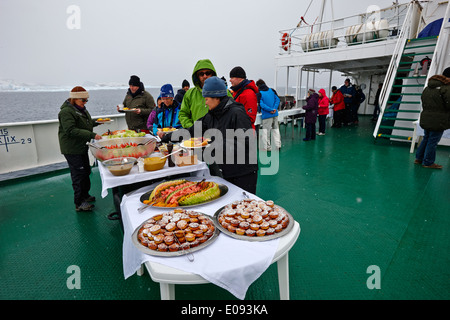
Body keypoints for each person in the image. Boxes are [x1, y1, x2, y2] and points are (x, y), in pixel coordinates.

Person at [159, 76, 258, 194]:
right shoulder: (211, 115)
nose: (205, 103)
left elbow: (244, 145)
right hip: (225, 171)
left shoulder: (237, 113)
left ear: (216, 97)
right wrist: (166, 137)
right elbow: (191, 131)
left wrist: (211, 141)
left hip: (243, 174)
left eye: (206, 99)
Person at [58, 86, 102, 212]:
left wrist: (97, 122)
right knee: (78, 175)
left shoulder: (80, 109)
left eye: (86, 100)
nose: (85, 102)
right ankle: (79, 203)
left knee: (86, 171)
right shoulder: (66, 112)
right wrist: (92, 135)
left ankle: (85, 195)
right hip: (72, 148)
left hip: (81, 146)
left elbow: (84, 123)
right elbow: (70, 130)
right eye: (83, 100)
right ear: (74, 99)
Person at [179, 59, 232, 128]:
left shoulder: (224, 92)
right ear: (197, 76)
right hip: (196, 136)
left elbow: (231, 113)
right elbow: (183, 114)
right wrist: (192, 128)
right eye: (201, 74)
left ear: (212, 74)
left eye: (208, 73)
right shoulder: (189, 94)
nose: (205, 76)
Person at [415, 67, 450, 169]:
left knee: (426, 138)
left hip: (426, 117)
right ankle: (428, 162)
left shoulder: (428, 87)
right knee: (433, 141)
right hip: (438, 120)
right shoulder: (446, 88)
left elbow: (423, 100)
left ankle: (419, 158)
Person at [255, 79, 281, 150]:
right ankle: (277, 145)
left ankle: (267, 147)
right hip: (275, 114)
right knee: (276, 129)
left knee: (266, 132)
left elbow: (261, 104)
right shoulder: (272, 90)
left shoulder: (259, 93)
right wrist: (274, 108)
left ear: (258, 86)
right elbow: (277, 100)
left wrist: (270, 110)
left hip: (267, 115)